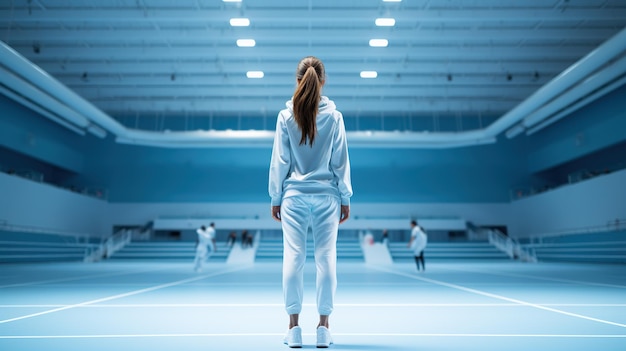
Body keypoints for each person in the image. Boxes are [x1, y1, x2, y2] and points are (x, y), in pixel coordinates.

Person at [269, 56, 352, 348]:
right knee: (325, 258)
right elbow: (340, 162)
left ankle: (293, 329)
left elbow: (280, 161)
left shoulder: (285, 116)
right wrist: (345, 196)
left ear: (297, 80)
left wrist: (275, 197)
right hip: (327, 196)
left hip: (293, 197)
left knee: (293, 258)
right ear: (323, 81)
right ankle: (323, 328)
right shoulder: (335, 116)